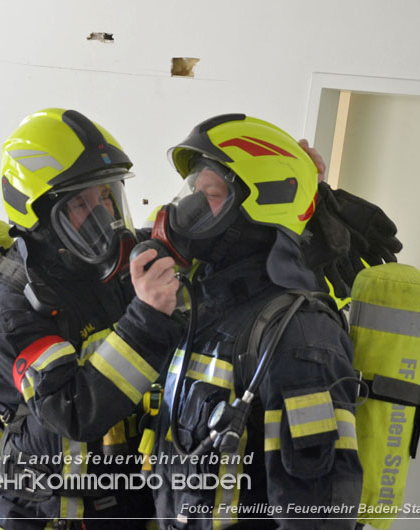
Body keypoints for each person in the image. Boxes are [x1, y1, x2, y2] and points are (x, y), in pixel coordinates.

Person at [149, 114, 363, 529]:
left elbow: (316, 517)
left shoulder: (298, 335)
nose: (188, 208)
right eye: (192, 190)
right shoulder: (207, 307)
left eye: (210, 194)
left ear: (261, 207)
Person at [0, 108, 183, 529]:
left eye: (107, 195)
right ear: (38, 216)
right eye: (80, 202)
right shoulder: (14, 310)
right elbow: (73, 412)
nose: (103, 215)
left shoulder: (113, 274)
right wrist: (146, 318)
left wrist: (303, 189)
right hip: (50, 519)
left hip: (127, 510)